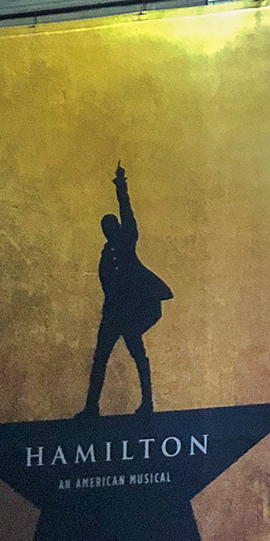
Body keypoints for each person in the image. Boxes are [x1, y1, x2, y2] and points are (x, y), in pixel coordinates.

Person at [78, 163, 172, 417]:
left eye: (111, 225)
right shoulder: (106, 253)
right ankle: (91, 408)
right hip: (112, 313)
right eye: (105, 227)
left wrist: (121, 184)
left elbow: (126, 208)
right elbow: (107, 285)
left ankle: (148, 403)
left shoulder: (127, 239)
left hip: (130, 311)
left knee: (138, 356)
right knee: (100, 360)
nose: (109, 229)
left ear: (117, 226)